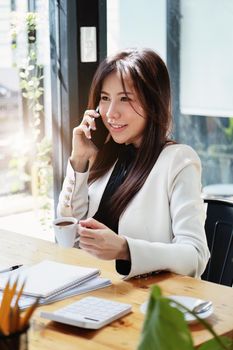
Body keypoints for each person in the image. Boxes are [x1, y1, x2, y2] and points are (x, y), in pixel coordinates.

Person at [57, 48, 210, 279]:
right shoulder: (109, 157)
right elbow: (72, 232)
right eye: (105, 98)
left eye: (125, 99)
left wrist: (125, 249)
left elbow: (195, 256)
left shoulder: (178, 160)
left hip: (149, 300)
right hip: (95, 287)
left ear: (153, 102)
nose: (110, 113)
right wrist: (79, 160)